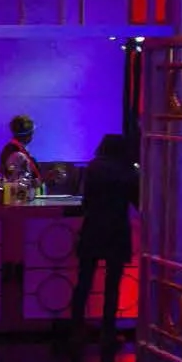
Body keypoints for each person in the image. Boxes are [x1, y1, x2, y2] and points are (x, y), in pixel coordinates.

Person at [67, 134, 140, 344]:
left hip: (92, 228)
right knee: (112, 284)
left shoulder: (92, 168)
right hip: (116, 229)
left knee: (84, 281)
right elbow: (138, 199)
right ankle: (109, 331)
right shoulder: (126, 171)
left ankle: (76, 329)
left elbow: (85, 201)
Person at [0, 114, 42, 185]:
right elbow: (19, 183)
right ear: (29, 135)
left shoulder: (14, 149)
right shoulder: (17, 154)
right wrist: (45, 178)